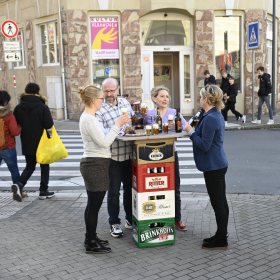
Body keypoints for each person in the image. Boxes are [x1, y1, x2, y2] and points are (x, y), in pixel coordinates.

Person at [79, 85, 129, 253]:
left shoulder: (90, 117)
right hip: (95, 164)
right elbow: (105, 142)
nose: (102, 101)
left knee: (91, 205)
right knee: (94, 207)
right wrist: (117, 124)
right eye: (100, 98)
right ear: (93, 100)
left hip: (95, 163)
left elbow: (103, 137)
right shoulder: (89, 119)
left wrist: (117, 127)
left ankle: (91, 238)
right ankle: (91, 243)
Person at [185, 85, 229, 250]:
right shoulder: (210, 114)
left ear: (206, 99)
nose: (200, 99)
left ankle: (222, 239)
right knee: (221, 202)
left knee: (218, 203)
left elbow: (204, 145)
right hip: (216, 164)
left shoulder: (211, 118)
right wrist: (194, 122)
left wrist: (191, 132)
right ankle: (220, 234)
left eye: (201, 97)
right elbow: (195, 125)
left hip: (214, 165)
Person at [143, 85, 188, 231]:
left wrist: (194, 131)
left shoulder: (174, 113)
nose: (165, 99)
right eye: (162, 96)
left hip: (170, 154)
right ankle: (157, 217)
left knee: (175, 187)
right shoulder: (148, 115)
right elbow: (141, 132)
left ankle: (177, 219)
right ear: (154, 98)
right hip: (152, 156)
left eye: (167, 97)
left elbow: (187, 127)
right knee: (155, 187)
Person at [95, 78, 136, 238]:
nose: (109, 94)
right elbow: (102, 132)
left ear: (118, 89)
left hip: (129, 154)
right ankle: (114, 223)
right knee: (113, 192)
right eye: (106, 91)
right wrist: (118, 126)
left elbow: (132, 122)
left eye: (112, 90)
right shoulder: (100, 108)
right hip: (112, 157)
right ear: (102, 91)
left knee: (128, 190)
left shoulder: (125, 102)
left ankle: (129, 219)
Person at [12, 83, 54, 202]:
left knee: (30, 166)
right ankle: (43, 191)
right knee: (44, 166)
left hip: (26, 141)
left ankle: (19, 184)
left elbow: (15, 123)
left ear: (25, 91)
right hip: (42, 142)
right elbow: (49, 124)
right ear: (37, 92)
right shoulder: (42, 106)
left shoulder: (19, 107)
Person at [0, 91, 28, 199]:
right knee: (14, 170)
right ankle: (18, 192)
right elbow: (15, 132)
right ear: (6, 101)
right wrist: (20, 126)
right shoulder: (8, 115)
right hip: (7, 147)